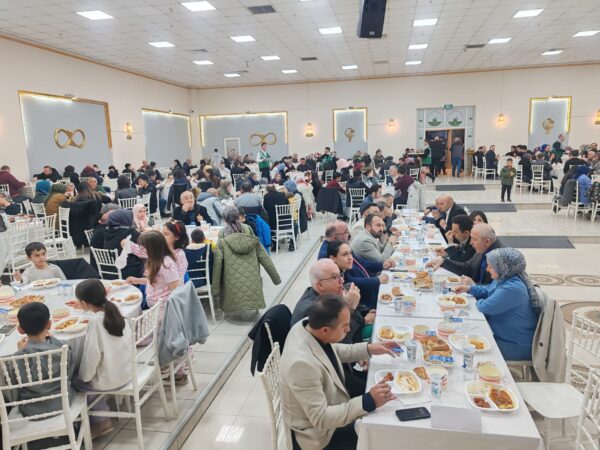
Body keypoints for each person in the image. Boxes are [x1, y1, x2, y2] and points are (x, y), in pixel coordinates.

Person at [281, 295, 397, 450]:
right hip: (318, 436)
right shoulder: (301, 365)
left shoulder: (308, 326)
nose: (349, 329)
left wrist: (368, 348)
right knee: (381, 436)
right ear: (325, 330)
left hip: (331, 401)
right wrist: (367, 401)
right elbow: (321, 419)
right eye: (345, 326)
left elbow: (332, 349)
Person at [454, 248, 539, 360]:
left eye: (491, 266)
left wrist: (480, 300)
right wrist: (469, 289)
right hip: (501, 334)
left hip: (515, 344)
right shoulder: (505, 277)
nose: (487, 269)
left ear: (503, 267)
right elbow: (487, 291)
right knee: (463, 334)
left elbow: (485, 307)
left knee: (464, 347)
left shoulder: (514, 289)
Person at [74, 278, 132, 438]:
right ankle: (101, 416)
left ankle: (101, 420)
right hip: (128, 372)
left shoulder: (95, 323)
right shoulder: (115, 309)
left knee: (76, 381)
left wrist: (82, 377)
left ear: (84, 303)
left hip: (111, 380)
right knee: (88, 375)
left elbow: (90, 358)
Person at [212, 206, 281, 313]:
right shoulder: (248, 229)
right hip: (252, 276)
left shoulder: (222, 233)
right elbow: (263, 256)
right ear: (238, 216)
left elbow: (218, 263)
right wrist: (276, 278)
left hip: (231, 279)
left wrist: (215, 289)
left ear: (225, 220)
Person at [12, 302, 72, 418]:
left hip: (31, 410)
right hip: (62, 402)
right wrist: (53, 340)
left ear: (20, 330)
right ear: (49, 324)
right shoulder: (62, 349)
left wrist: (19, 352)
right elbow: (70, 373)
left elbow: (17, 383)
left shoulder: (20, 356)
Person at [427, 223, 502, 285]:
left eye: (474, 239)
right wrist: (444, 261)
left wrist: (474, 286)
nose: (471, 243)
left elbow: (498, 290)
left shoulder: (501, 258)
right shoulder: (483, 248)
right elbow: (467, 268)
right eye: (471, 238)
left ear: (487, 242)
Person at [126, 230, 182, 309]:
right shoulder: (155, 260)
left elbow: (175, 290)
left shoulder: (166, 265)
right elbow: (157, 282)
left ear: (153, 248)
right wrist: (137, 280)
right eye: (140, 247)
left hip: (161, 308)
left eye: (143, 247)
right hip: (153, 303)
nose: (141, 250)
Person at [327, 241, 388, 310]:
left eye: (350, 253)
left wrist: (382, 265)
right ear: (333, 258)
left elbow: (366, 265)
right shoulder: (334, 276)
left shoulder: (343, 268)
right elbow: (351, 281)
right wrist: (376, 280)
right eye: (344, 254)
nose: (350, 258)